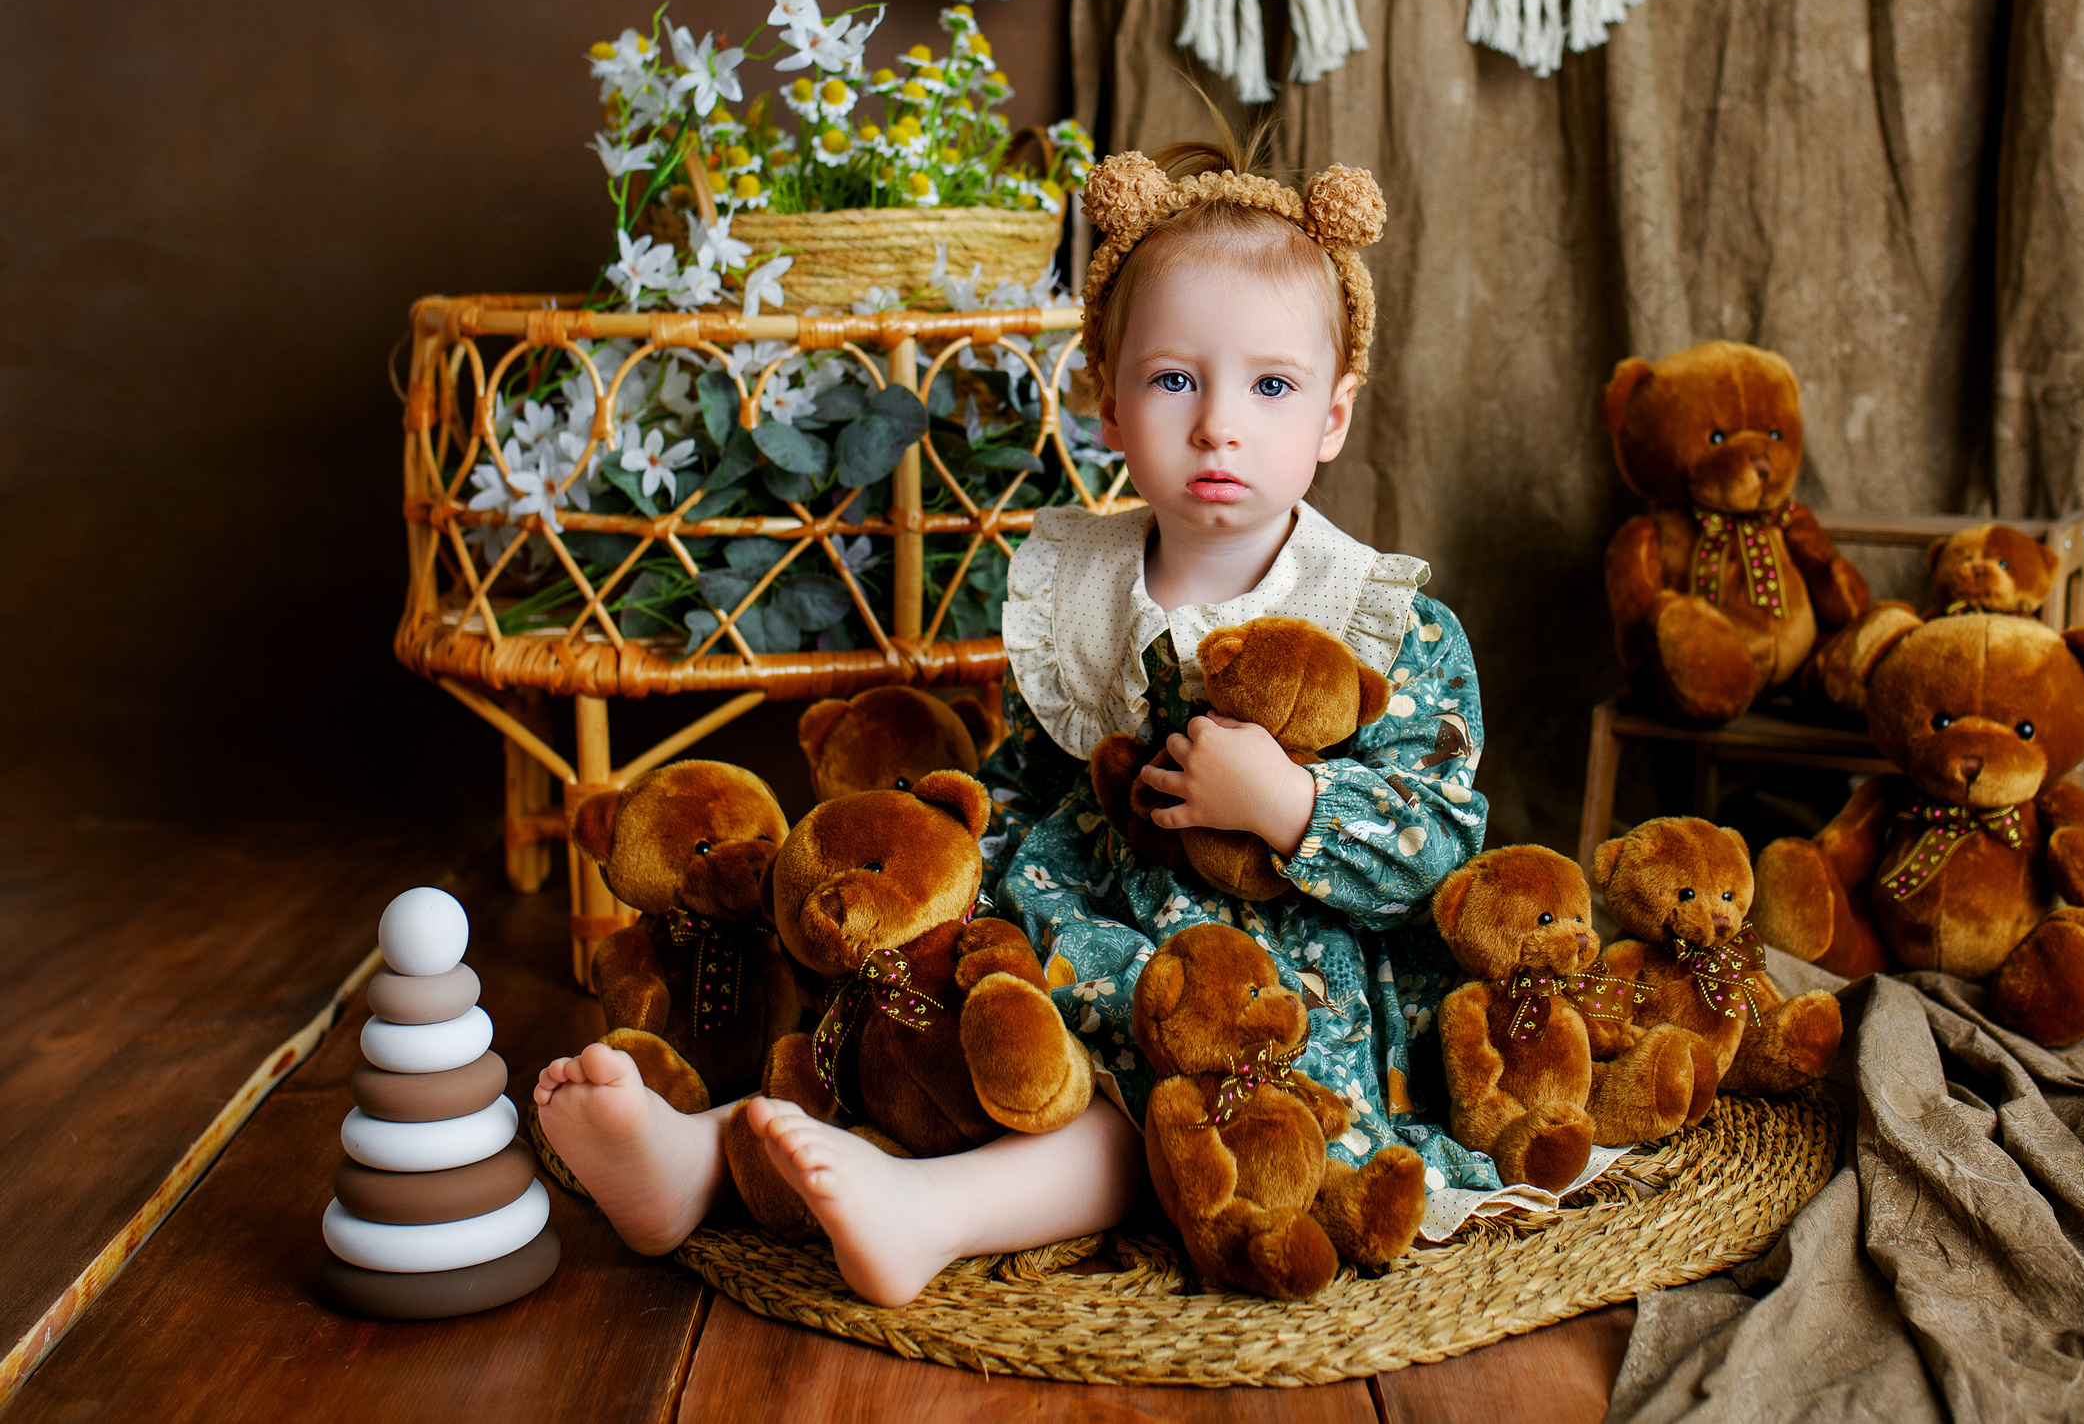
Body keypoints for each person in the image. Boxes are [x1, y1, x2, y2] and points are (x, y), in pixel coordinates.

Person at [536, 118, 1496, 1307]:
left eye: (1271, 386)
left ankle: (929, 1214)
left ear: (1334, 416)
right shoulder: (1074, 585)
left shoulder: (1384, 624)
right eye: (1174, 380)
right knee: (921, 1024)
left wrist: (1292, 804)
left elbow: (1441, 846)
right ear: (1105, 397)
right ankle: (707, 1149)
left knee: (1144, 1111)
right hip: (1066, 936)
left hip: (1255, 992)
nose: (1217, 425)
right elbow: (1025, 783)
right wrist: (946, 898)